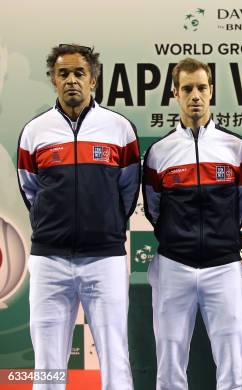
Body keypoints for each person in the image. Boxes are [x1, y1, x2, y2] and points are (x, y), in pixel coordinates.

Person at [17, 44, 139, 389]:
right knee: (48, 364)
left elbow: (127, 191)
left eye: (79, 73)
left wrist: (106, 223)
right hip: (49, 260)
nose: (71, 80)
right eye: (63, 74)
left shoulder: (118, 128)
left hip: (105, 259)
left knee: (115, 358)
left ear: (94, 80)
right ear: (53, 80)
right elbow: (31, 191)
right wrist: (54, 226)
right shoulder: (35, 132)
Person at [142, 57, 242, 390]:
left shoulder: (236, 149)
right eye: (187, 88)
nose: (195, 95)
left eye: (201, 88)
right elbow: (153, 209)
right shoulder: (159, 153)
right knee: (170, 362)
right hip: (174, 266)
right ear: (175, 93)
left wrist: (220, 239)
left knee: (233, 363)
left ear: (211, 91)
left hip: (224, 267)